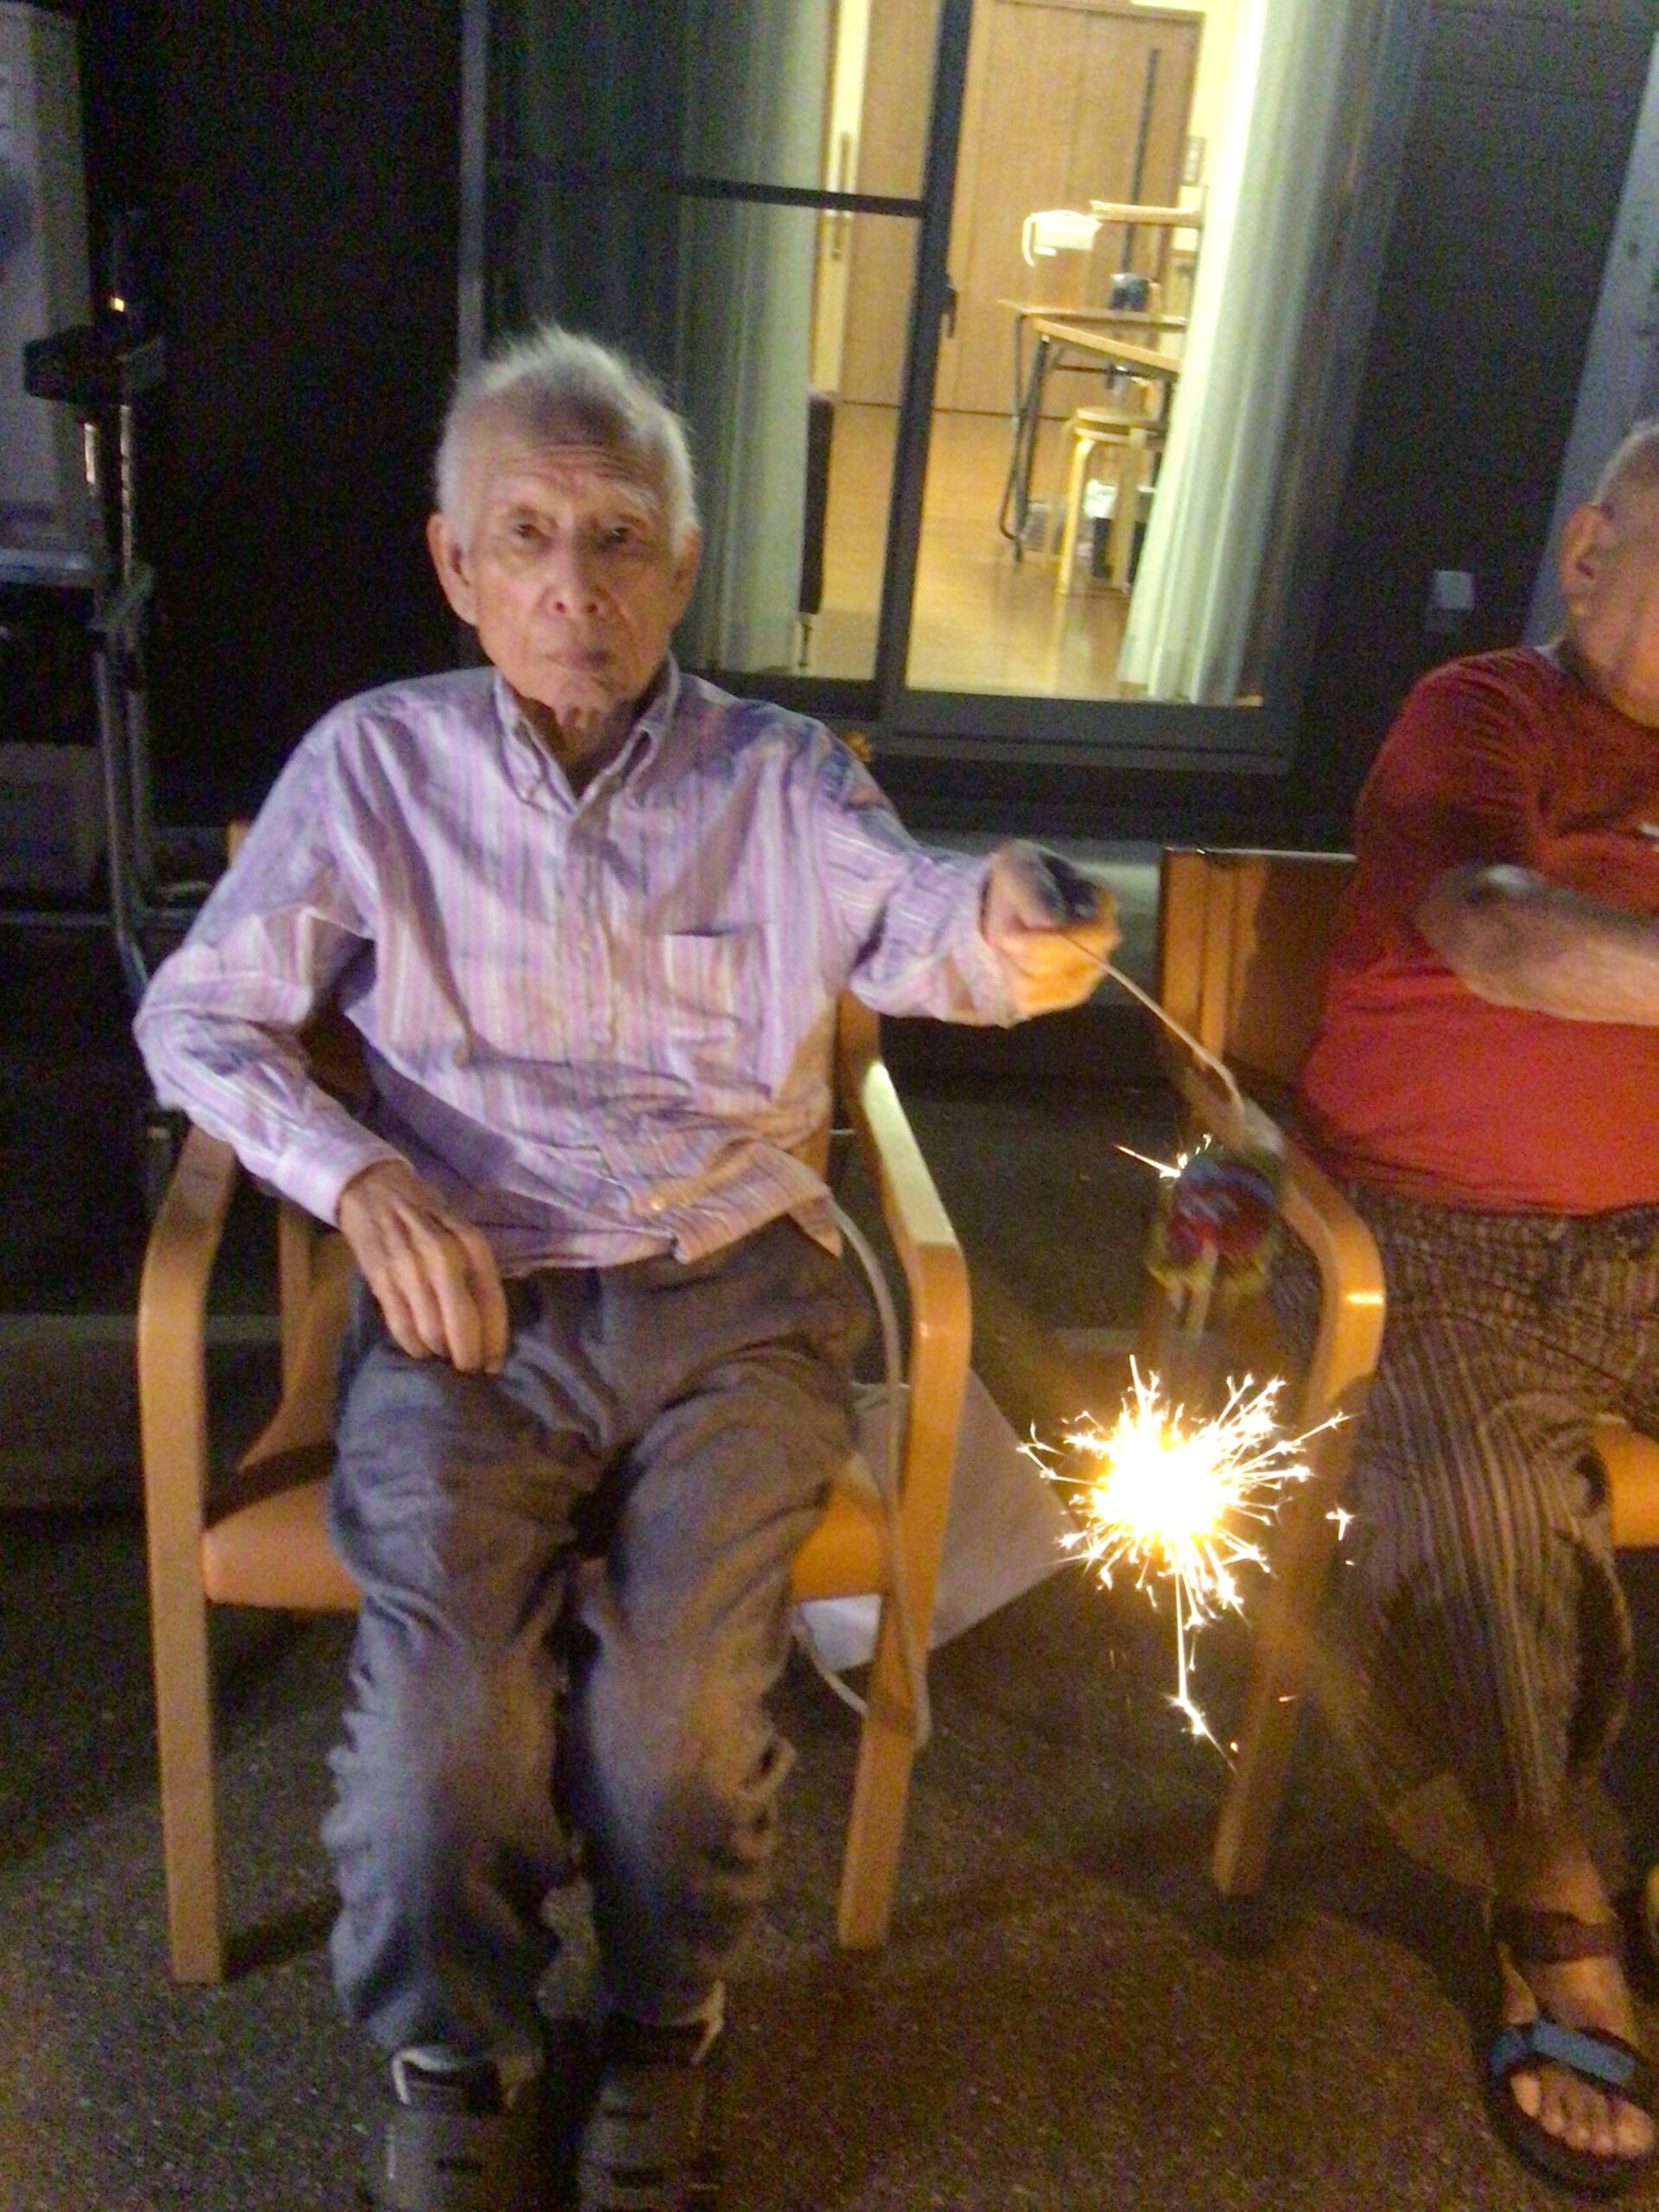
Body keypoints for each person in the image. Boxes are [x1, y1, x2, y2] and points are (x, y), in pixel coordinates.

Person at [133, 324, 1116, 2212]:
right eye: (526, 534)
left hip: (731, 1295)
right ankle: (453, 2045)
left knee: (677, 1720)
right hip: (468, 1301)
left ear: (683, 563)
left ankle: (666, 2022)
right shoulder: (373, 765)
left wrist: (1008, 921)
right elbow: (199, 1019)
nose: (574, 586)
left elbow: (925, 924)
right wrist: (361, 1180)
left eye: (619, 536)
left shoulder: (781, 774)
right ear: (455, 564)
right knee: (442, 1740)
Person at [1291, 422, 1659, 2195]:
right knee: (1480, 1497)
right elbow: (1500, 931)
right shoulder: (1486, 713)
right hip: (1433, 1231)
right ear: (1590, 552)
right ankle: (1550, 1882)